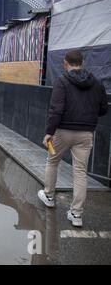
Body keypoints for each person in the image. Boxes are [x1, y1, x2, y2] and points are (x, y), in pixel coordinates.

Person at [38, 50, 108, 228]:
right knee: (80, 172)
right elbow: (103, 109)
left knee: (52, 162)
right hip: (86, 133)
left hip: (62, 131)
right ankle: (76, 214)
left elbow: (56, 109)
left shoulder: (62, 81)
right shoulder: (97, 83)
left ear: (65, 63)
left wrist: (49, 131)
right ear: (82, 62)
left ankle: (49, 196)